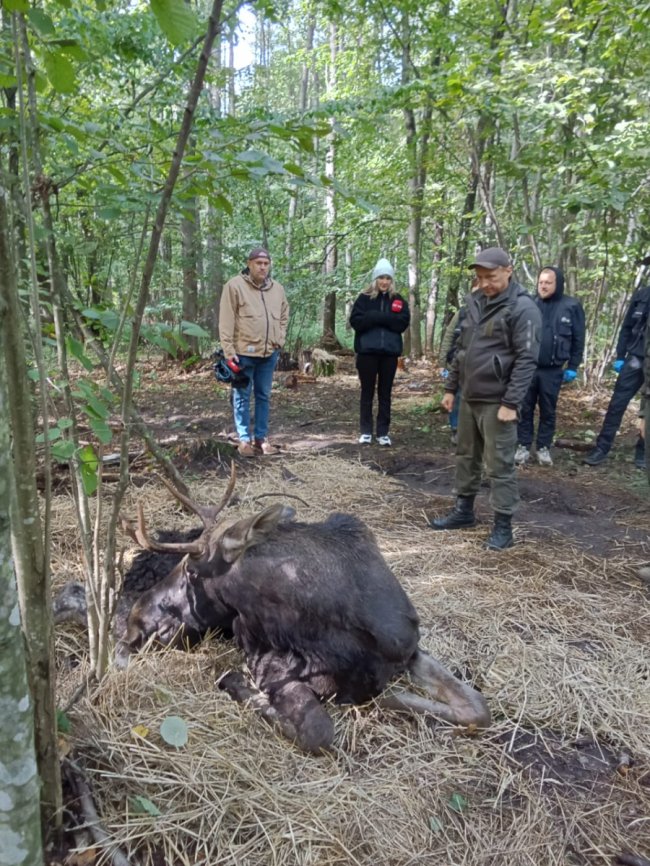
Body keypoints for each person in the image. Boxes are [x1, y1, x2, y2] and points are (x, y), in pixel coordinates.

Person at [430, 247, 541, 550]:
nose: (485, 283)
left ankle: (503, 527)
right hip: (469, 395)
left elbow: (527, 360)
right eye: (480, 278)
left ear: (509, 269)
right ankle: (463, 512)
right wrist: (451, 389)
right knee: (466, 455)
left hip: (498, 401)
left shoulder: (523, 308)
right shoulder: (475, 302)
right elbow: (462, 351)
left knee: (499, 464)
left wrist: (511, 403)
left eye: (491, 277)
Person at [219, 247, 289, 457]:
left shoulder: (277, 289)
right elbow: (226, 320)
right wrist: (228, 350)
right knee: (241, 395)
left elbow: (284, 314)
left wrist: (280, 338)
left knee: (264, 395)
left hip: (269, 353)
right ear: (249, 264)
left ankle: (261, 438)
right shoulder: (234, 286)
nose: (262, 267)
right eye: (258, 263)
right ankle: (243, 438)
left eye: (266, 263)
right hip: (243, 353)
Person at [515, 266, 585, 467]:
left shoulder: (571, 306)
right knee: (525, 408)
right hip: (528, 367)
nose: (543, 286)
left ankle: (543, 447)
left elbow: (579, 338)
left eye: (548, 282)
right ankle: (523, 445)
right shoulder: (530, 304)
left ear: (558, 284)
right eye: (541, 282)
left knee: (548, 410)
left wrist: (573, 366)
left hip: (553, 370)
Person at [583, 276, 650, 468]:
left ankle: (643, 452)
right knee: (617, 405)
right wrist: (621, 355)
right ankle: (601, 449)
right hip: (635, 357)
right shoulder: (642, 295)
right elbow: (627, 327)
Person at [349, 257, 410, 446]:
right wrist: (379, 317)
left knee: (385, 393)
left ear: (392, 280)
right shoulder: (364, 299)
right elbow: (356, 322)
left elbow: (402, 323)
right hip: (367, 353)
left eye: (388, 278)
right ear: (375, 279)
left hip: (389, 354)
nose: (384, 282)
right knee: (367, 392)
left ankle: (383, 432)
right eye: (381, 278)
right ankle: (366, 431)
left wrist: (378, 318)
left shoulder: (398, 299)